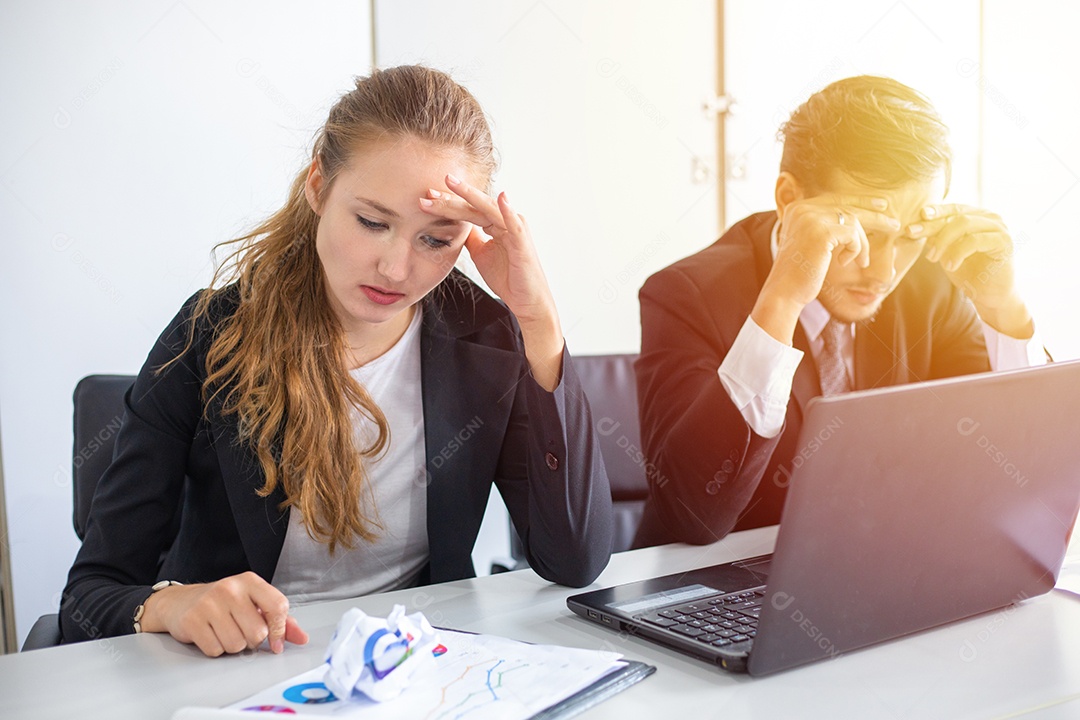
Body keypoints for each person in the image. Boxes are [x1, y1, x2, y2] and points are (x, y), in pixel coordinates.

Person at [60, 65, 613, 655]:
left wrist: (541, 325)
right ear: (319, 186)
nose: (397, 270)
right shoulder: (208, 335)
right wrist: (170, 603)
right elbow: (88, 598)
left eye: (436, 239)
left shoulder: (489, 338)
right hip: (236, 670)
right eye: (373, 222)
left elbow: (575, 559)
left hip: (415, 669)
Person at [632, 75, 1046, 548]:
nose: (883, 271)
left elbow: (1013, 486)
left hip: (876, 578)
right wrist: (783, 299)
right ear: (790, 200)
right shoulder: (687, 294)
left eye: (909, 236)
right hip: (715, 587)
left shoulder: (933, 284)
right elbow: (693, 515)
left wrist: (1004, 312)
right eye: (864, 233)